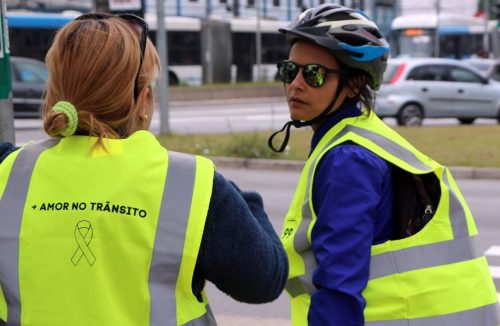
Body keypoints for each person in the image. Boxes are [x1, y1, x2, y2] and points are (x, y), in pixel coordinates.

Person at [0, 13, 288, 325]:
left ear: (55, 90)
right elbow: (265, 280)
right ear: (143, 99)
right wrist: (240, 197)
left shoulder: (8, 169)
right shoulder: (189, 184)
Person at [268, 4, 500, 325]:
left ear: (353, 85)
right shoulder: (358, 137)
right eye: (288, 70)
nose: (296, 83)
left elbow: (340, 285)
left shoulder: (348, 158)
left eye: (314, 74)